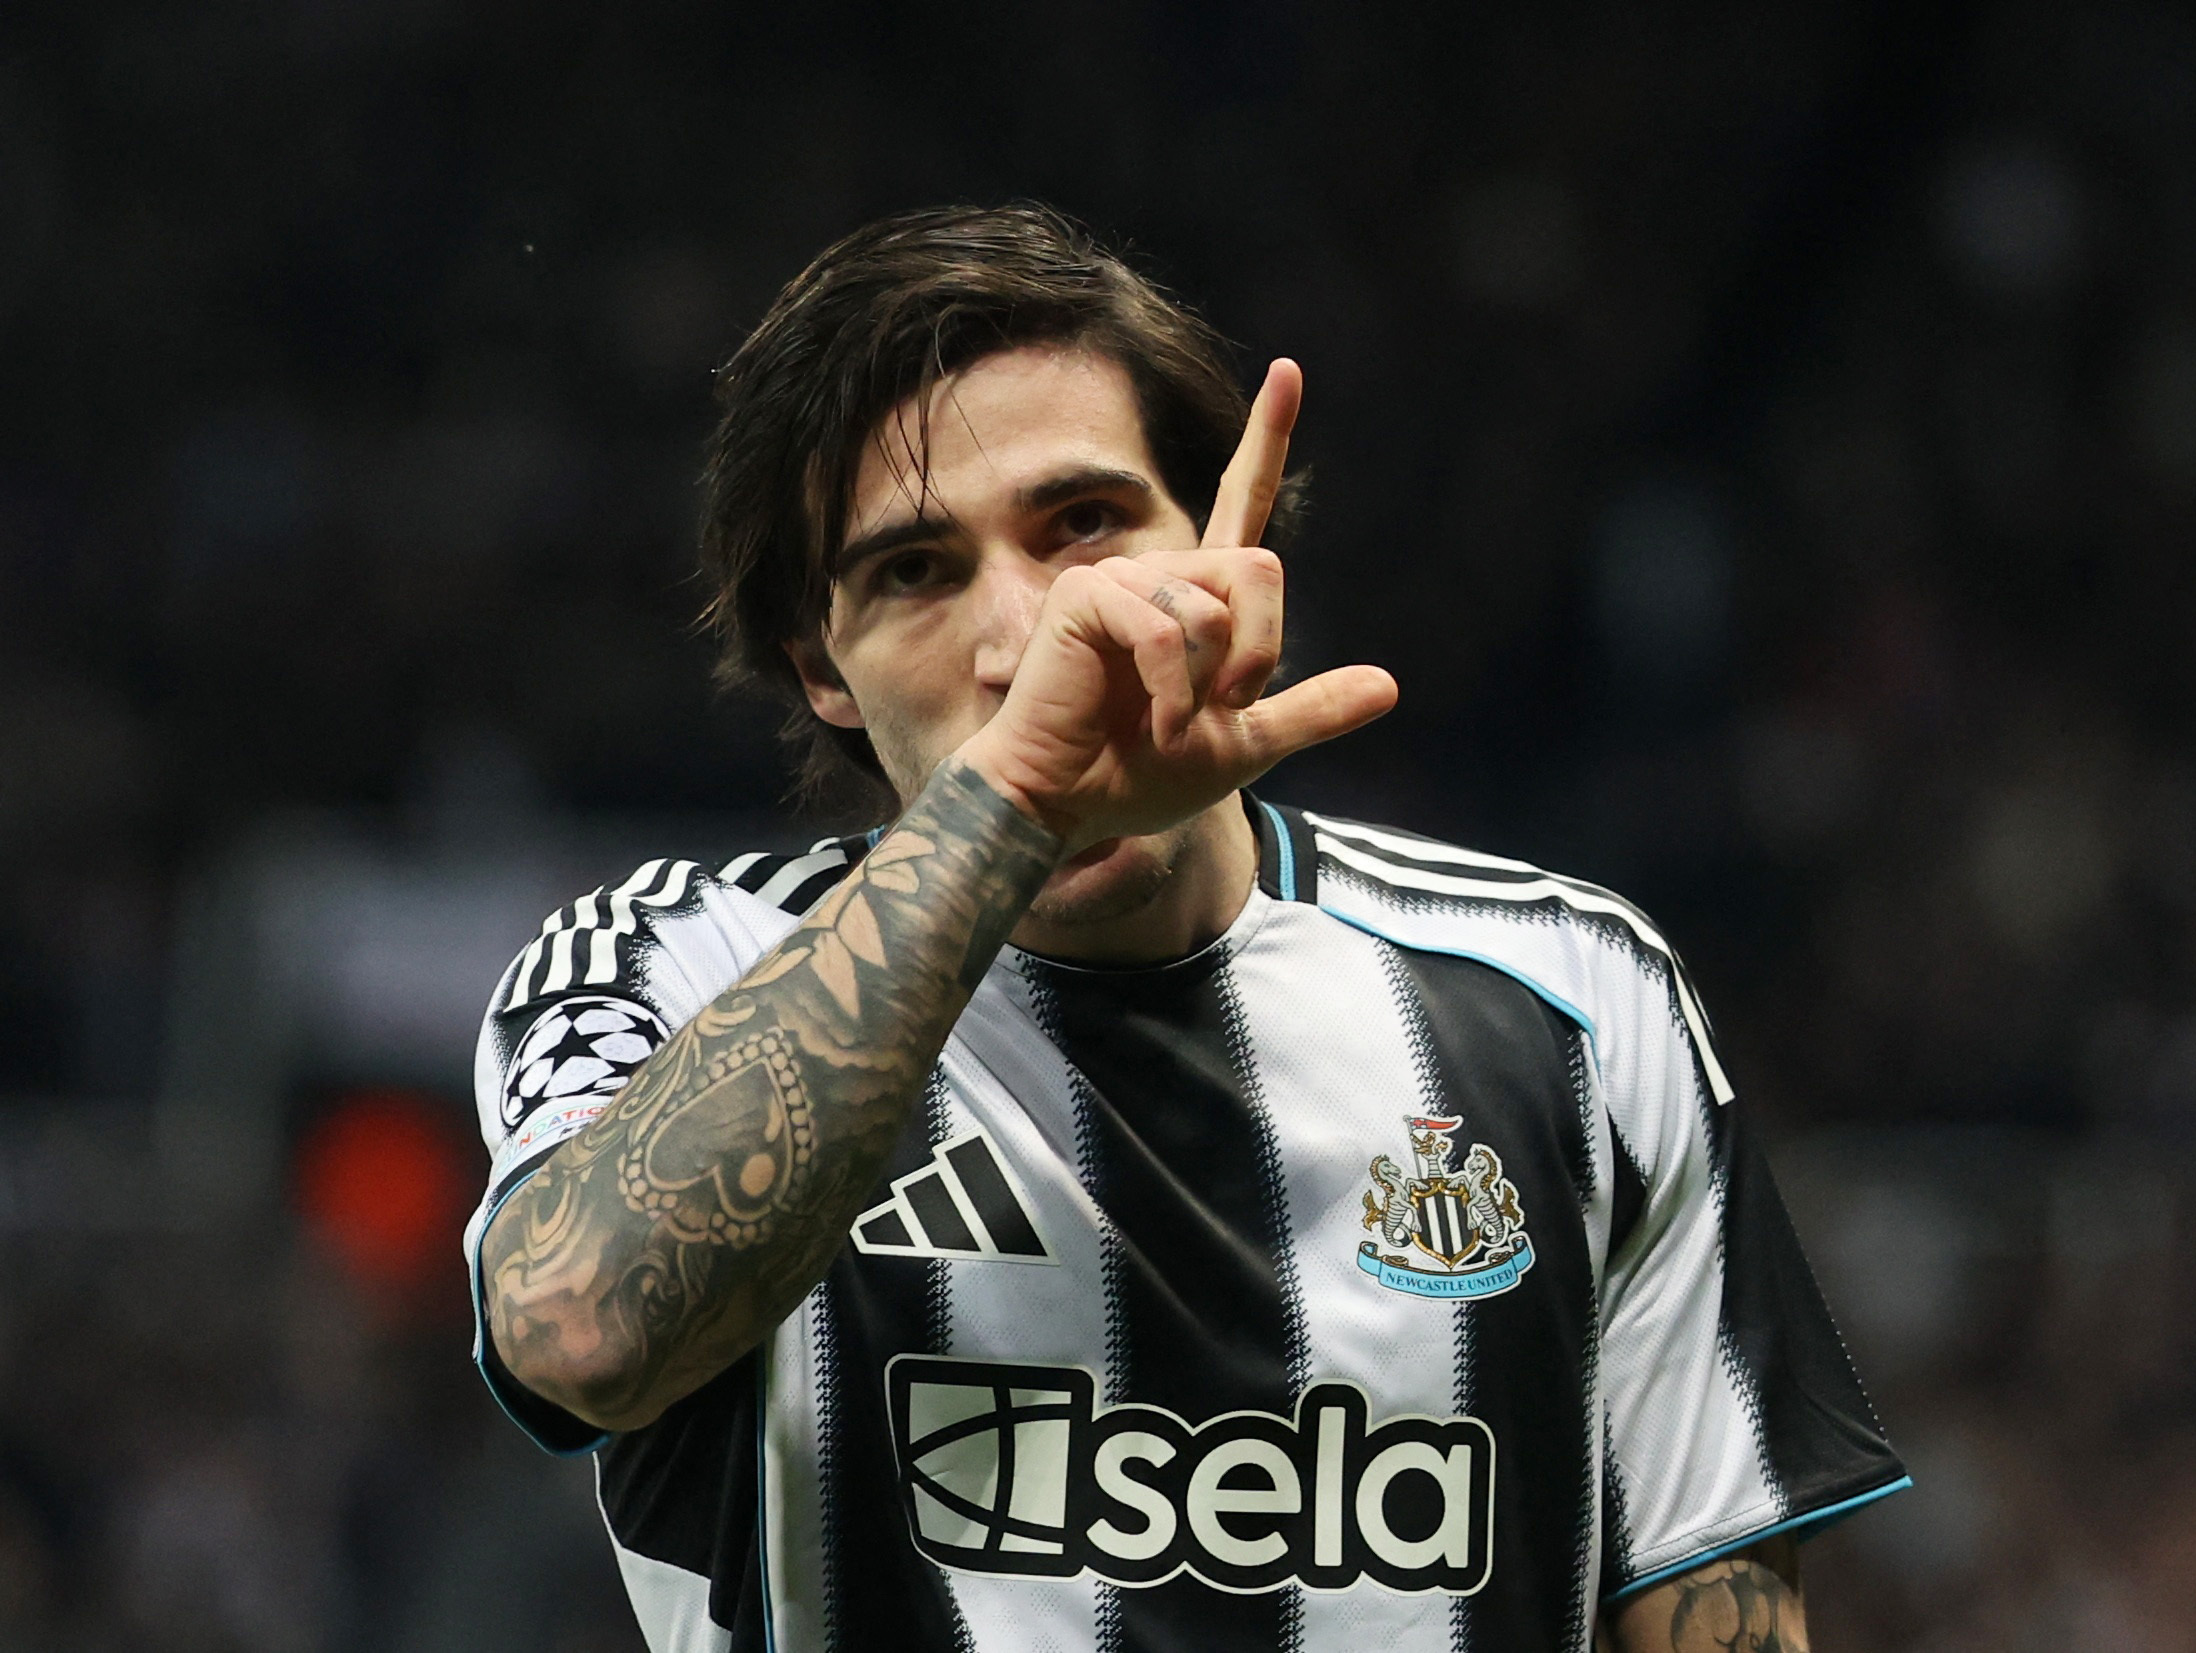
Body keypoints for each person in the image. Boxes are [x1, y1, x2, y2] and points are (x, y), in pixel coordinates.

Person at [465, 204, 1907, 1653]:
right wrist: (1014, 802)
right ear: (820, 669)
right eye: (914, 570)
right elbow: (579, 1328)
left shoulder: (1568, 998)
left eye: (1083, 524)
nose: (1026, 634)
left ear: (1231, 542)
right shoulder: (671, 966)